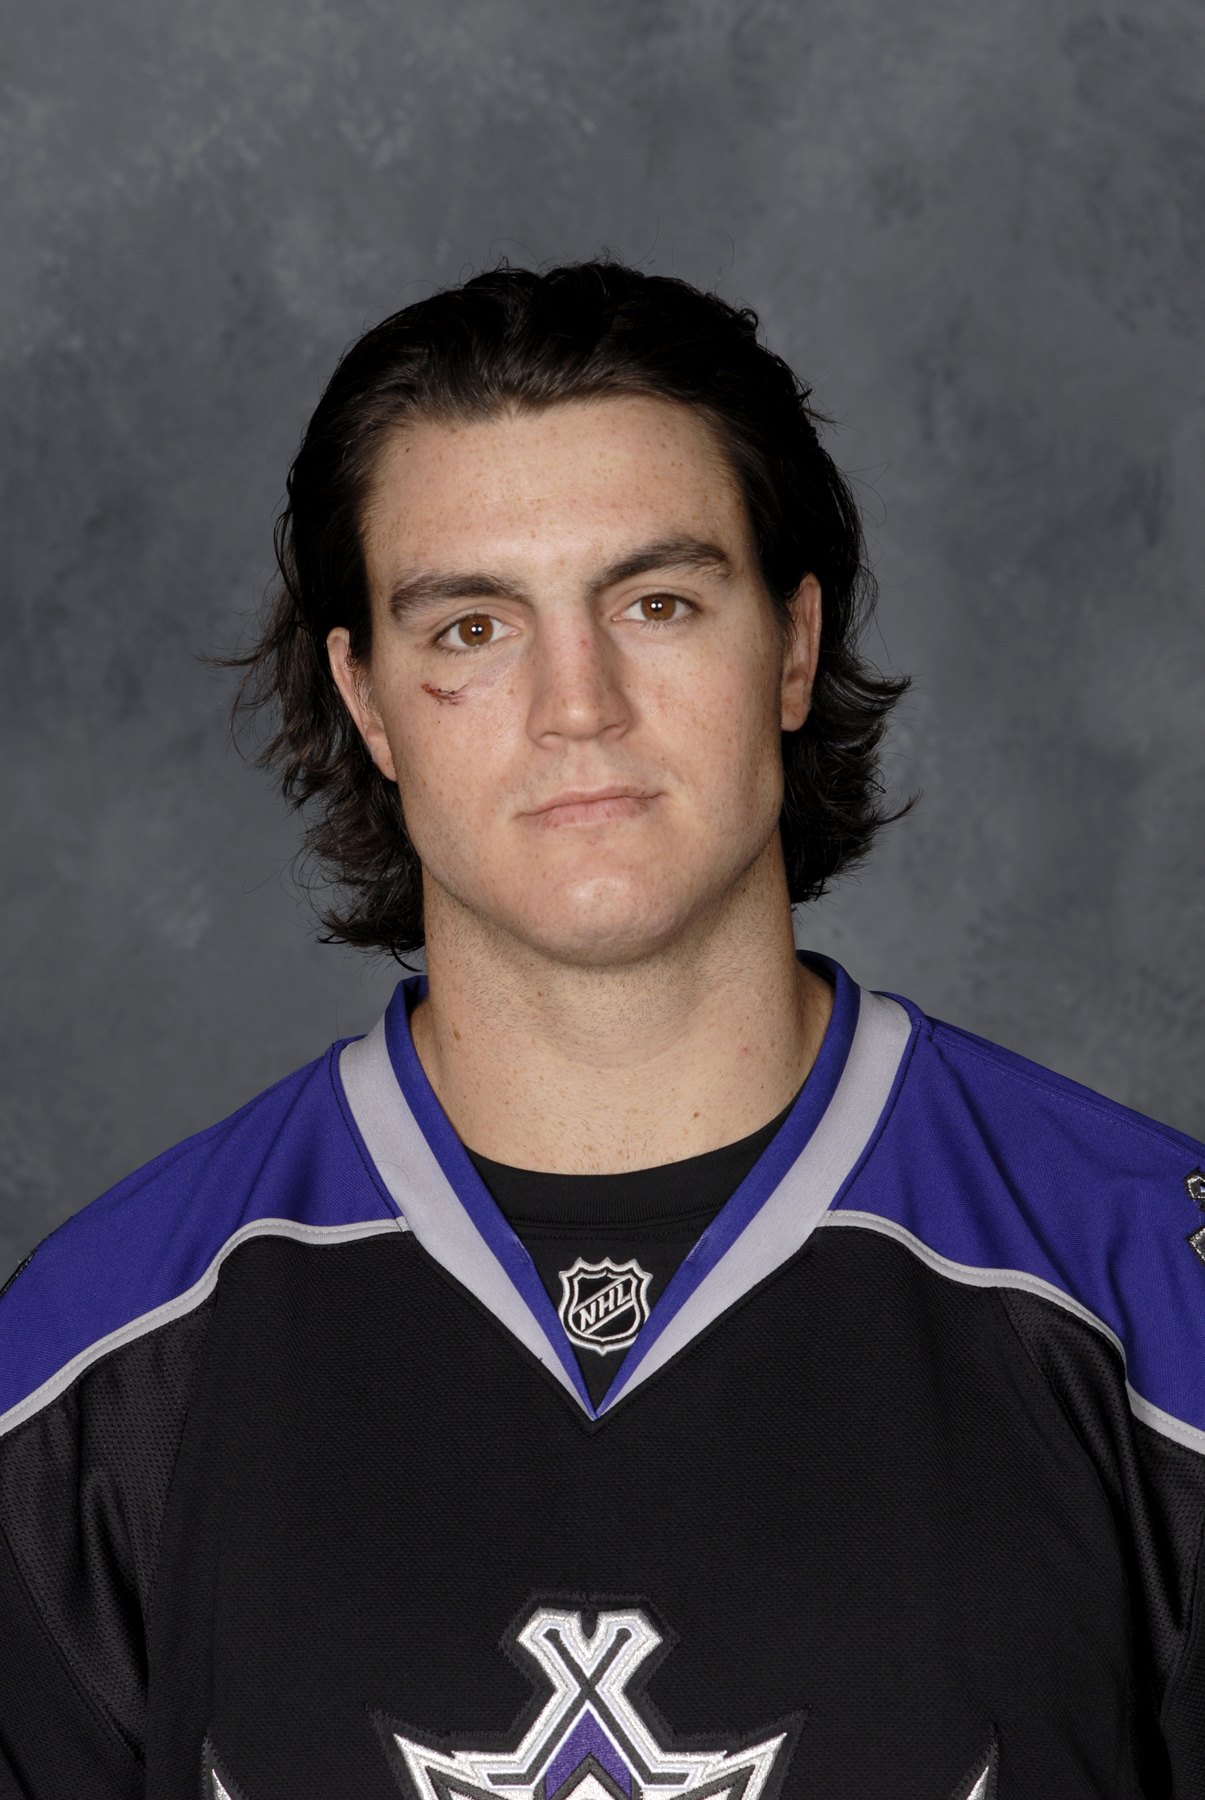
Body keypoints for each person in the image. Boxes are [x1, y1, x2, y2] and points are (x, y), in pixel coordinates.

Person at [1, 260, 1202, 1800]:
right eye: (471, 629)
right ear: (365, 700)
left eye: (656, 601)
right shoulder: (95, 1368)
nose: (578, 703)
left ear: (788, 643)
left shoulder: (1148, 1301)